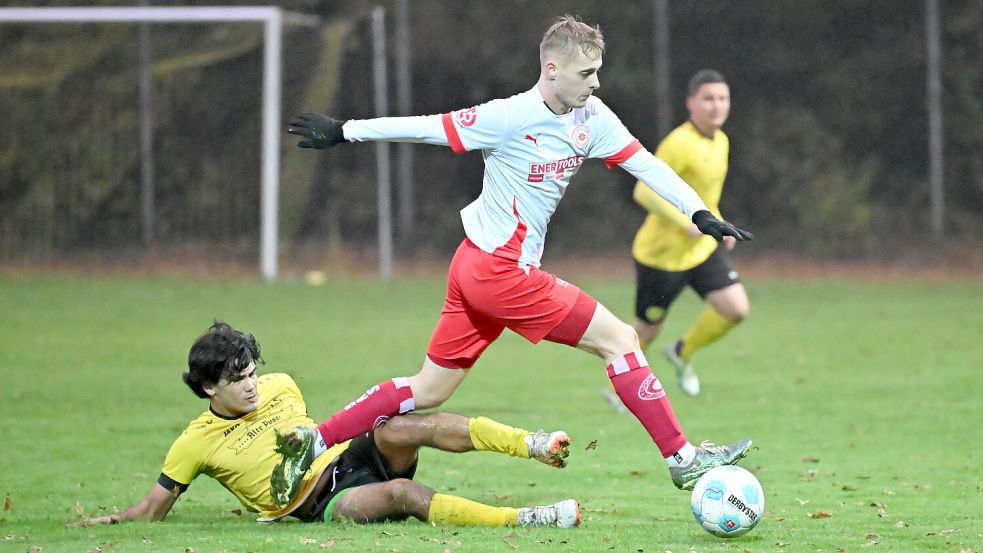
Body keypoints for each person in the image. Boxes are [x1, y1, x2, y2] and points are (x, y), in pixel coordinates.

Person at [284, 15, 753, 492]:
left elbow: (647, 166)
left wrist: (697, 212)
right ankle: (683, 458)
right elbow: (427, 127)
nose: (595, 83)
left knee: (428, 388)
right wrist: (345, 130)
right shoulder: (508, 116)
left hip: (475, 266)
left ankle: (314, 439)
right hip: (499, 272)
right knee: (622, 340)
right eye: (585, 73)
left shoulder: (592, 117)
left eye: (597, 72)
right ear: (551, 69)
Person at [84, 321, 580, 528]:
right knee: (401, 496)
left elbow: (329, 430)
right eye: (239, 380)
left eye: (253, 372)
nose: (253, 385)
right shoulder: (193, 443)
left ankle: (531, 443)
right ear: (210, 388)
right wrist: (112, 523)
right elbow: (154, 507)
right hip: (319, 502)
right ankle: (527, 519)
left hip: (346, 457)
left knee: (405, 422)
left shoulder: (282, 385)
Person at [629, 69, 749, 397]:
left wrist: (718, 223)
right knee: (647, 329)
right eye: (708, 99)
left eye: (722, 98)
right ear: (691, 104)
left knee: (736, 309)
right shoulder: (678, 143)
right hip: (662, 256)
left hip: (699, 252)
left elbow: (706, 199)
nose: (716, 106)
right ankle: (619, 386)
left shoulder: (721, 141)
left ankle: (681, 352)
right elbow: (643, 191)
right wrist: (686, 221)